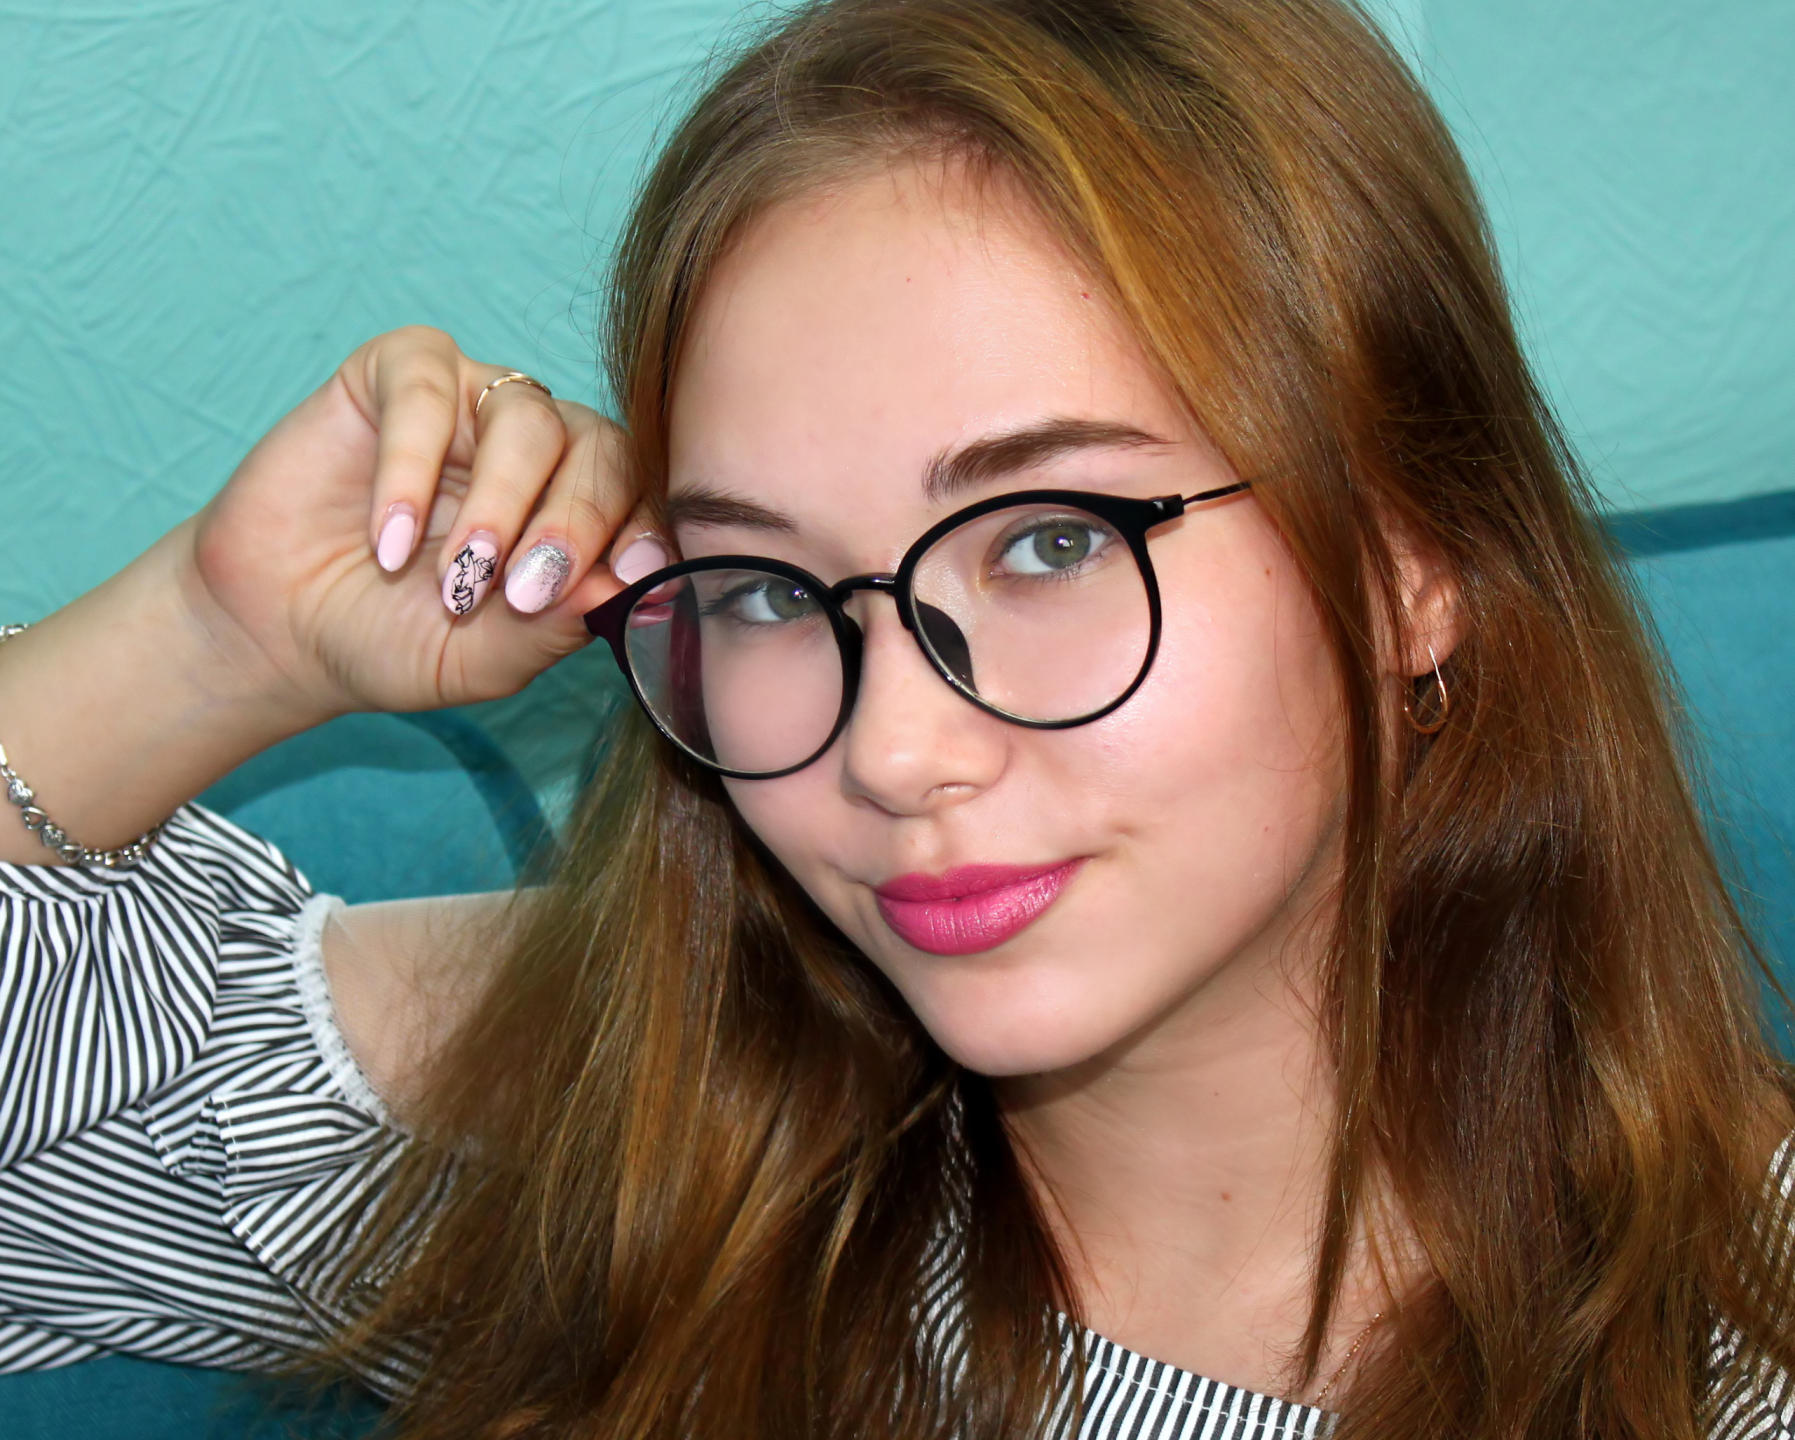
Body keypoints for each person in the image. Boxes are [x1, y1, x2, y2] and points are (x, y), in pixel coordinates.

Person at [2, 0, 1792, 1436]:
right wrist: (212, 638)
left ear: (1416, 561)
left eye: (1051, 543)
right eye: (770, 590)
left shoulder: (1737, 1345)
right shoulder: (638, 1151)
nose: (893, 754)